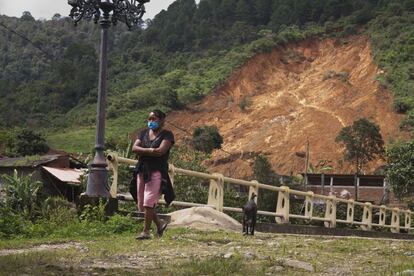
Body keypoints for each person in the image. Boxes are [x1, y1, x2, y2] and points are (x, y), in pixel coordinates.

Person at [132, 110, 175, 240]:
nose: (151, 121)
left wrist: (143, 151)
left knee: (148, 202)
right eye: (150, 118)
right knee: (142, 204)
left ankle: (145, 232)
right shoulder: (143, 133)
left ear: (162, 121)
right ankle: (160, 224)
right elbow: (134, 148)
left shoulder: (167, 135)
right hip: (142, 170)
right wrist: (151, 150)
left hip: (156, 171)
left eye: (154, 119)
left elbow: (161, 151)